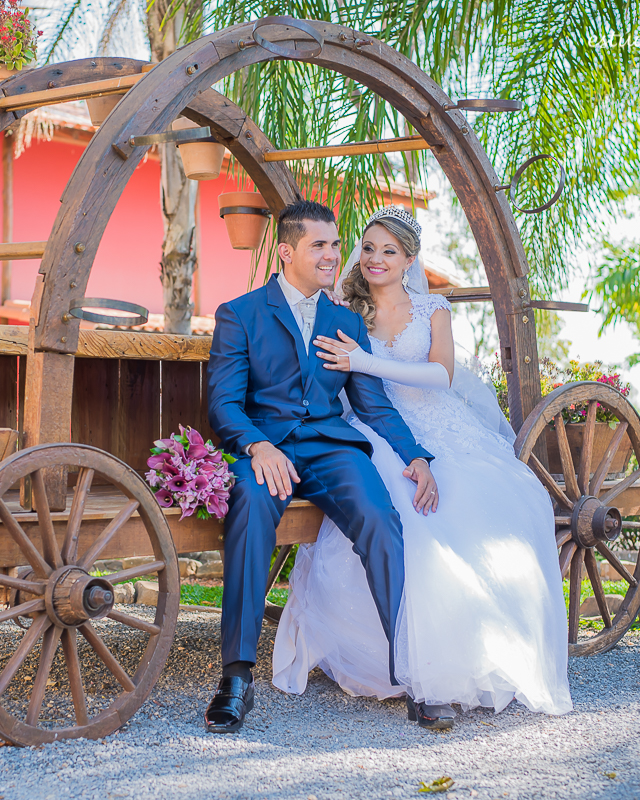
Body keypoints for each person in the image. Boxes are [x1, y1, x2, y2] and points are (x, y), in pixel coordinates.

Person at [271, 205, 573, 730]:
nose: (375, 259)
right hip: (374, 423)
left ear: (409, 260)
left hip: (436, 423)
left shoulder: (433, 308)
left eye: (389, 251)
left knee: (481, 503)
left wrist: (366, 361)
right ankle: (391, 654)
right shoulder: (343, 305)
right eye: (368, 248)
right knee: (394, 504)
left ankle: (466, 654)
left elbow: (441, 374)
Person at [204, 200, 439, 734]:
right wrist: (257, 446)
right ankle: (236, 678)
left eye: (335, 244)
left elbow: (373, 405)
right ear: (287, 252)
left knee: (381, 519)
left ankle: (411, 671)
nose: (333, 255)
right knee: (250, 508)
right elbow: (224, 404)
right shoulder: (239, 314)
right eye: (319, 246)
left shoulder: (345, 320)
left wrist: (416, 456)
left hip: (332, 449)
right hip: (266, 449)